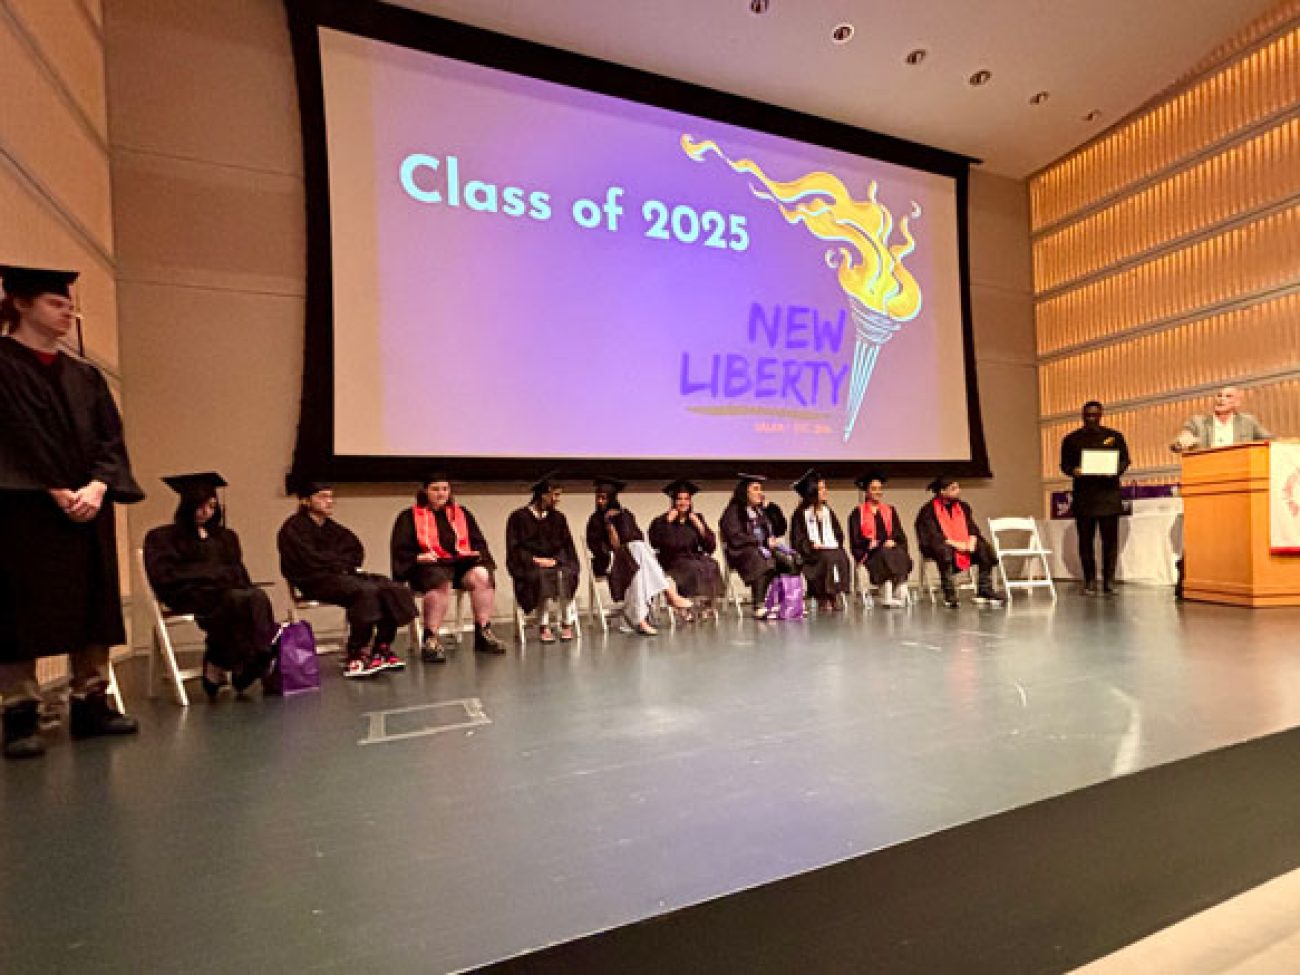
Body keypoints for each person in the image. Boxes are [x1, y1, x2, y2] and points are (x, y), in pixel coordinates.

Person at [0, 264, 142, 759]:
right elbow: (11, 440)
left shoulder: (85, 375)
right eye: (56, 303)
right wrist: (55, 489)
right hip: (24, 511)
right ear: (21, 303)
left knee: (93, 602)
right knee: (20, 609)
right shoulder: (3, 365)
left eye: (69, 305)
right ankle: (20, 713)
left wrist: (98, 487)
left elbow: (110, 439)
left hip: (88, 507)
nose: (68, 313)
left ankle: (91, 703)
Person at [144, 473, 277, 699]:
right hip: (189, 594)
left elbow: (237, 571)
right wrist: (213, 575)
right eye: (200, 506)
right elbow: (165, 576)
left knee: (256, 596)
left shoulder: (226, 537)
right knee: (235, 599)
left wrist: (230, 580)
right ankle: (233, 661)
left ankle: (257, 655)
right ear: (187, 506)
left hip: (225, 594)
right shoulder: (163, 537)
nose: (206, 512)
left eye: (212, 506)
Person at [278, 480, 416, 678]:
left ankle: (382, 646)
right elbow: (307, 559)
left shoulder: (333, 528)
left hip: (341, 576)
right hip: (313, 580)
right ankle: (357, 653)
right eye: (322, 497)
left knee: (391, 588)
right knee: (365, 592)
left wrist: (340, 565)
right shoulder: (293, 529)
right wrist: (337, 564)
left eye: (330, 497)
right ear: (306, 501)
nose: (329, 501)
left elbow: (355, 551)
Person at [390, 472, 507, 664]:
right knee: (440, 581)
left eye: (445, 489)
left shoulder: (461, 514)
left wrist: (476, 553)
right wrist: (417, 557)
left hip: (459, 566)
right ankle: (430, 638)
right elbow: (400, 549)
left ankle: (483, 632)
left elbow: (479, 542)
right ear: (424, 491)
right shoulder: (409, 517)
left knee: (482, 575)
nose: (441, 493)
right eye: (435, 489)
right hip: (427, 568)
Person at [585, 478, 693, 635]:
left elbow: (637, 538)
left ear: (612, 498)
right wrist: (609, 526)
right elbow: (608, 548)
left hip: (632, 562)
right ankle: (668, 593)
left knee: (638, 562)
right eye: (598, 497)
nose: (599, 501)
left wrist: (621, 522)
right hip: (609, 561)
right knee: (638, 552)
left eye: (603, 498)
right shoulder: (595, 520)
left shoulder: (626, 515)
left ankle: (640, 620)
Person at [1060, 401, 1132, 596]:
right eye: (1088, 415)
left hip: (1108, 495)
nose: (1091, 419)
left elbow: (1125, 460)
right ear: (1082, 416)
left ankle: (1109, 581)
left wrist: (1115, 470)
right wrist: (1073, 471)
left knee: (1110, 542)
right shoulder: (1071, 439)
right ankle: (1089, 581)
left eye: (1095, 415)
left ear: (1101, 415)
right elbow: (1064, 465)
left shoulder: (1114, 436)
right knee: (1085, 542)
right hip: (1084, 497)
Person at [505, 475, 581, 642]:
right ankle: (543, 625)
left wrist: (556, 560)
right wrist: (534, 560)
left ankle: (567, 623)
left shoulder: (558, 518)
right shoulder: (518, 518)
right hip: (530, 565)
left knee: (567, 574)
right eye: (555, 495)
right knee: (541, 576)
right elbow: (514, 548)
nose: (557, 499)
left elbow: (566, 546)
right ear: (543, 495)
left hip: (555, 562)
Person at [914, 476, 1004, 608]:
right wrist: (957, 544)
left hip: (962, 542)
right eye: (953, 488)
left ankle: (984, 590)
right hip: (938, 545)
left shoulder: (963, 507)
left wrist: (972, 540)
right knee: (944, 551)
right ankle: (949, 594)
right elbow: (933, 536)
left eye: (958, 487)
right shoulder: (928, 510)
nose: (958, 491)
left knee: (984, 548)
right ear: (942, 491)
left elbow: (972, 527)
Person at [648, 479, 725, 617]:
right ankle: (686, 605)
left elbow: (710, 547)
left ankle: (708, 605)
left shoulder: (696, 519)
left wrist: (700, 526)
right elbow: (656, 543)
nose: (683, 502)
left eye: (686, 499)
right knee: (693, 567)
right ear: (673, 501)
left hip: (694, 557)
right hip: (672, 560)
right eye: (679, 499)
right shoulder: (661, 520)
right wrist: (667, 523)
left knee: (712, 564)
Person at [719, 474, 789, 619]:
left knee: (790, 559)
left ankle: (788, 602)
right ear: (745, 492)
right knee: (762, 559)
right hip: (741, 553)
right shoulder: (733, 511)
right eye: (756, 489)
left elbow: (779, 529)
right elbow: (735, 537)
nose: (760, 493)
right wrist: (761, 542)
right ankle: (759, 605)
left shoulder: (759, 510)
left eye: (761, 489)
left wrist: (771, 509)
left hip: (761, 549)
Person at [788, 470, 852, 612]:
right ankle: (823, 596)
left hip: (828, 549)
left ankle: (835, 593)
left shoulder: (828, 511)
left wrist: (833, 543)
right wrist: (812, 545)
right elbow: (797, 540)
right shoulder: (800, 514)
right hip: (810, 554)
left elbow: (838, 534)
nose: (825, 491)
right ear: (812, 492)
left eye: (825, 488)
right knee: (826, 557)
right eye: (821, 488)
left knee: (841, 555)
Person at [848, 472, 913, 607]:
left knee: (898, 551)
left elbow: (899, 534)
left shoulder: (890, 510)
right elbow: (855, 539)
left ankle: (899, 583)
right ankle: (888, 591)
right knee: (884, 553)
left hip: (890, 549)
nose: (878, 492)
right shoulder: (857, 513)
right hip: (871, 552)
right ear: (867, 491)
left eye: (880, 488)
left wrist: (894, 541)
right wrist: (869, 543)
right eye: (874, 489)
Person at [1171, 386, 1274, 452]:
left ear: (1237, 403)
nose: (1222, 399)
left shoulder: (1248, 421)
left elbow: (1270, 441)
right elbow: (1177, 444)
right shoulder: (1197, 422)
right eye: (1219, 396)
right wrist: (1181, 442)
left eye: (1228, 396)